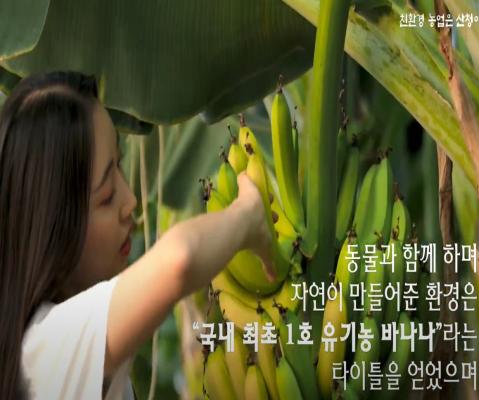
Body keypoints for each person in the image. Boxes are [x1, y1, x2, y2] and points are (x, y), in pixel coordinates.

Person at [0, 71, 274, 399]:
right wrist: (248, 215)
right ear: (54, 229)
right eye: (105, 196)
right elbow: (179, 261)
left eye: (120, 164)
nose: (130, 201)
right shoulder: (48, 352)